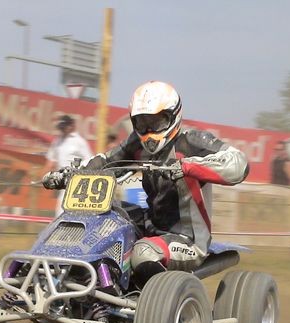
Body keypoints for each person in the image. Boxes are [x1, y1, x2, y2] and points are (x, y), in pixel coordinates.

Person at [43, 81, 249, 283]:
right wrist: (68, 175)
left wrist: (187, 166)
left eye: (156, 122)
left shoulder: (191, 141)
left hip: (187, 239)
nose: (149, 131)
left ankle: (158, 299)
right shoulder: (136, 143)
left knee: (143, 253)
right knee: (103, 217)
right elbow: (106, 161)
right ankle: (84, 278)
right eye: (142, 123)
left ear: (173, 116)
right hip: (151, 226)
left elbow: (239, 163)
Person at [45, 114, 93, 215]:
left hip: (77, 180)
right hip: (62, 181)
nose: (62, 129)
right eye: (61, 127)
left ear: (71, 125)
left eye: (64, 126)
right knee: (61, 211)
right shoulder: (57, 141)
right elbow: (51, 160)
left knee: (67, 211)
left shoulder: (79, 142)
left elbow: (90, 161)